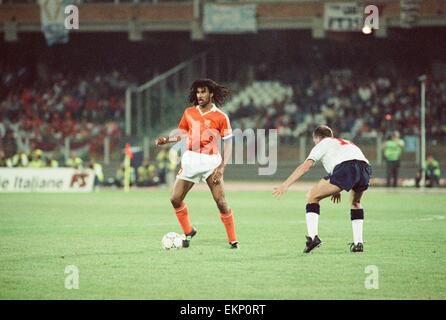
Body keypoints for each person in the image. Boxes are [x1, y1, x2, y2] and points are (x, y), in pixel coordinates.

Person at [155, 79, 238, 249]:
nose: (200, 95)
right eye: (198, 92)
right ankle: (189, 231)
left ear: (211, 94)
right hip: (191, 160)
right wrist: (167, 140)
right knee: (175, 199)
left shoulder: (221, 117)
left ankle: (233, 240)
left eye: (203, 92)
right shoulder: (189, 113)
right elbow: (181, 133)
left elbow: (228, 142)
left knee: (221, 202)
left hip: (210, 163)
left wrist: (221, 168)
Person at [273, 125, 372, 253]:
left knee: (311, 197)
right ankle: (358, 243)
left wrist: (285, 185)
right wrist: (338, 187)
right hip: (365, 168)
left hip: (346, 168)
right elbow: (347, 161)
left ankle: (313, 238)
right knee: (355, 202)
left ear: (317, 137)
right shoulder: (345, 142)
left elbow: (306, 166)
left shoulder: (323, 143)